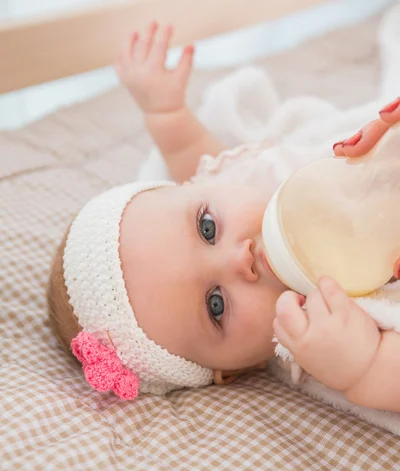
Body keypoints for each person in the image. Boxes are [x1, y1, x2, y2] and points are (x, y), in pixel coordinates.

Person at [47, 21, 400, 410]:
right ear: (230, 371)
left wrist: (164, 111)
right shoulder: (316, 343)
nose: (240, 258)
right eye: (216, 305)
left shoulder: (244, 180)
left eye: (207, 227)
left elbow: (189, 153)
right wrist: (363, 367)